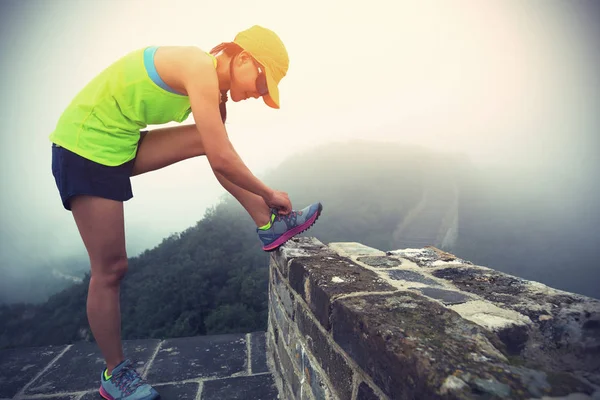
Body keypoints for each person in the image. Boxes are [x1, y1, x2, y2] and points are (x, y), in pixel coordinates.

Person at [48, 25, 322, 400]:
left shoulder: (211, 84)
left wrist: (226, 109)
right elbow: (224, 158)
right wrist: (269, 191)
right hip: (84, 147)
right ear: (243, 59)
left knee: (205, 141)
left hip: (120, 141)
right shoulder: (197, 66)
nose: (259, 96)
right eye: (262, 85)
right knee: (111, 269)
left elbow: (216, 145)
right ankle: (115, 375)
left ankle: (268, 225)